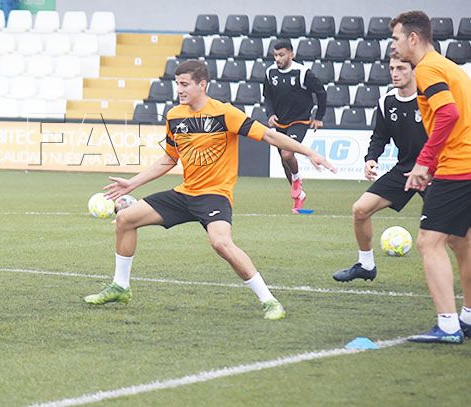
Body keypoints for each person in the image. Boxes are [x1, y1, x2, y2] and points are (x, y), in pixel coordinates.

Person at [83, 60, 336, 320]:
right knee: (125, 219)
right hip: (184, 193)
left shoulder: (225, 114)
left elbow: (270, 136)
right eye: (177, 84)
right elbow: (169, 159)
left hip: (214, 195)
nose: (179, 90)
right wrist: (132, 183)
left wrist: (309, 152)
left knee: (221, 243)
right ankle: (120, 287)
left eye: (184, 84)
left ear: (202, 85)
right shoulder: (174, 116)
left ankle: (269, 300)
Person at [391, 10, 471, 344]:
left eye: (395, 38)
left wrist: (425, 162)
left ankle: (448, 326)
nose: (393, 45)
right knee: (462, 241)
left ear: (413, 38)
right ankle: (467, 317)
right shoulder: (448, 65)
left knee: (429, 241)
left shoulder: (426, 69)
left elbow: (449, 113)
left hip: (460, 166)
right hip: (463, 163)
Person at [332, 53, 428, 282]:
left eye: (401, 68)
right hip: (404, 169)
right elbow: (380, 135)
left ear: (414, 71)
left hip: (434, 170)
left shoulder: (428, 99)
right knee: (360, 210)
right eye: (392, 68)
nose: (395, 73)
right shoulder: (386, 101)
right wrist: (371, 158)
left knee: (448, 236)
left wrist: (429, 166)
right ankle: (366, 265)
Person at [263, 40, 327, 212]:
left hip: (300, 120)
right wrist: (270, 114)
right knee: (285, 162)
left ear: (292, 54)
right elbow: (267, 97)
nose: (278, 58)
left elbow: (321, 92)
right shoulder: (270, 72)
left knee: (287, 153)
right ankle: (299, 197)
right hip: (280, 122)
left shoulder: (302, 72)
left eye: (281, 55)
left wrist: (319, 117)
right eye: (275, 55)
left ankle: (297, 179)